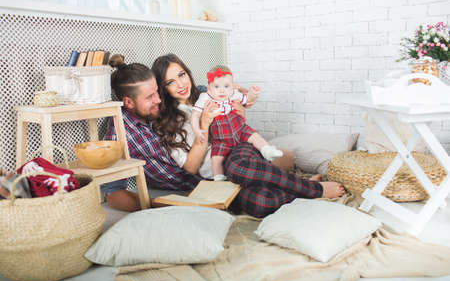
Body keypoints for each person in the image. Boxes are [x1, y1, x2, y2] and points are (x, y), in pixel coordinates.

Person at [102, 54, 345, 216]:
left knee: (249, 165)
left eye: (157, 91)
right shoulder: (135, 128)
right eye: (152, 95)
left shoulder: (201, 94)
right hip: (207, 181)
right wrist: (164, 204)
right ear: (128, 102)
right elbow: (115, 195)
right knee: (258, 203)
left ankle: (311, 189)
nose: (158, 99)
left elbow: (231, 93)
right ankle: (296, 188)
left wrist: (244, 102)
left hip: (235, 156)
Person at [190, 65, 283, 181]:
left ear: (232, 86)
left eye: (226, 86)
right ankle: (218, 177)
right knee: (216, 158)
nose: (222, 90)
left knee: (255, 137)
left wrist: (253, 93)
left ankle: (267, 150)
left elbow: (247, 99)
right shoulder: (205, 97)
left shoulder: (234, 94)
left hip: (239, 128)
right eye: (217, 86)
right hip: (221, 137)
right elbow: (195, 115)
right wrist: (197, 131)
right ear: (209, 87)